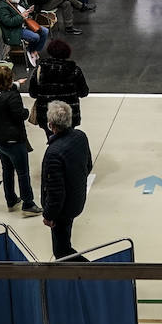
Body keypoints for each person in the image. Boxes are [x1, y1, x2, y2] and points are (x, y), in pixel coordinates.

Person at [40, 100, 93, 260]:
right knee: (64, 245)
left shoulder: (53, 153)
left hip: (61, 211)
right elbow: (88, 166)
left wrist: (48, 216)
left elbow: (56, 193)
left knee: (61, 251)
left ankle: (94, 275)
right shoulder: (80, 136)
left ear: (51, 125)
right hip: (77, 198)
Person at [0, 66, 40, 215]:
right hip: (14, 141)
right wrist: (26, 111)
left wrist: (16, 84)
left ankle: (11, 199)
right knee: (23, 173)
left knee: (7, 170)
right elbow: (20, 114)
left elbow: (7, 89)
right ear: (8, 80)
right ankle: (28, 203)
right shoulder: (12, 96)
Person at [27, 39, 90, 135]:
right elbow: (84, 92)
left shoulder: (40, 70)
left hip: (47, 114)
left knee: (52, 140)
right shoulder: (74, 70)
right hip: (69, 115)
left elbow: (33, 93)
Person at [0, 0, 49, 66]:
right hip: (14, 31)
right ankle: (30, 50)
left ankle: (34, 51)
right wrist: (21, 16)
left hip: (25, 25)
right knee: (36, 37)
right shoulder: (2, 8)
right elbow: (9, 22)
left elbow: (25, 8)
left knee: (45, 31)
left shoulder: (16, 1)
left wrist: (30, 9)